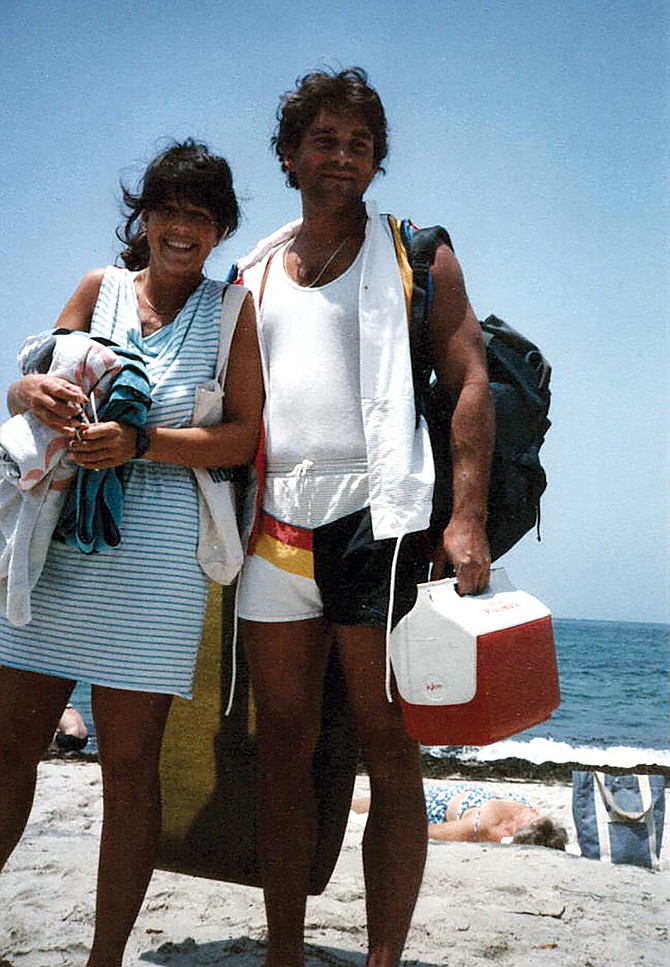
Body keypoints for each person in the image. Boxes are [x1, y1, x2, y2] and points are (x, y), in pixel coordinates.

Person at [232, 68, 495, 967]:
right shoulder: (252, 271)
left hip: (377, 520)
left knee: (388, 746)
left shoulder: (418, 255)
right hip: (273, 523)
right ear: (290, 153)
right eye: (324, 140)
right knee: (284, 747)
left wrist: (466, 517)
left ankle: (382, 957)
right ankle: (284, 950)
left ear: (376, 159)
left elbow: (470, 382)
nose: (341, 156)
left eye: (359, 143)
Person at [0, 140, 263, 967]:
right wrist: (24, 389)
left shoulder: (231, 312)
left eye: (201, 214)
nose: (182, 227)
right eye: (168, 209)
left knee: (129, 770)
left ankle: (103, 959)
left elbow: (244, 438)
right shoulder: (96, 287)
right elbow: (32, 382)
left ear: (220, 228)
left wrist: (141, 443)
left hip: (155, 568)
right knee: (8, 748)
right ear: (142, 216)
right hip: (53, 550)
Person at [351, 783, 569, 849]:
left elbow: (422, 833)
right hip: (446, 793)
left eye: (533, 818)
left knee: (354, 809)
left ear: (518, 829)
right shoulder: (524, 812)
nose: (535, 811)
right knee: (349, 805)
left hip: (428, 803)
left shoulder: (486, 827)